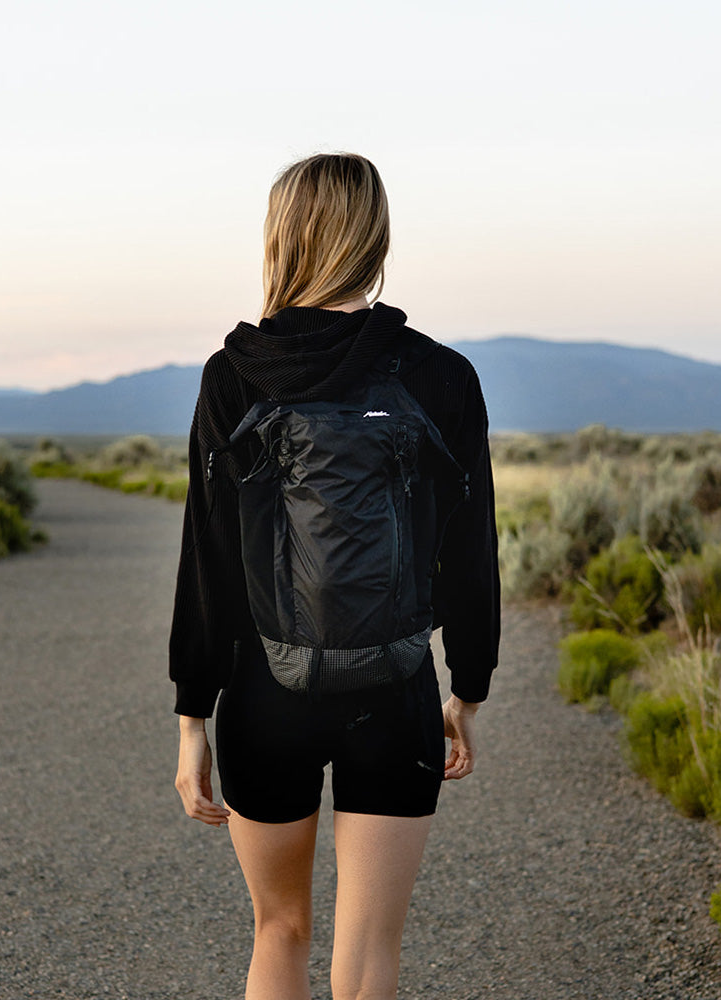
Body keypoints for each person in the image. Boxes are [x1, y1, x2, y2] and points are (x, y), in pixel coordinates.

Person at [170, 152, 500, 1000]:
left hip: (262, 695)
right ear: (376, 234)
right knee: (368, 954)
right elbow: (471, 550)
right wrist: (466, 687)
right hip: (394, 693)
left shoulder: (231, 375)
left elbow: (205, 556)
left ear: (284, 236)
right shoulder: (442, 375)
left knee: (279, 933)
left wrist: (191, 715)